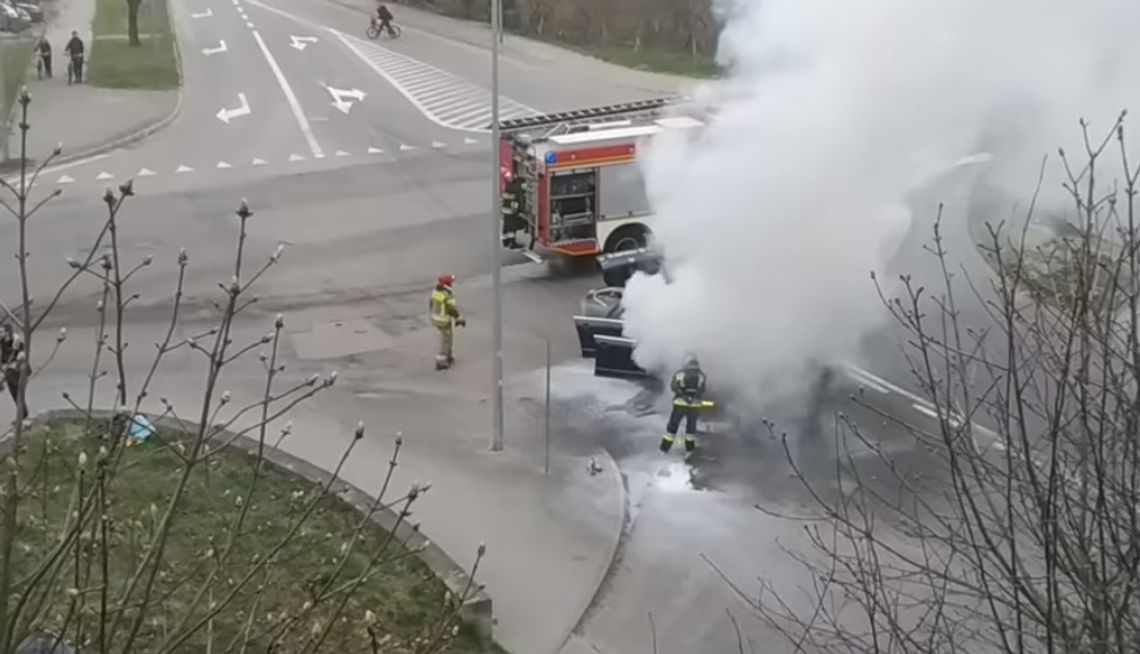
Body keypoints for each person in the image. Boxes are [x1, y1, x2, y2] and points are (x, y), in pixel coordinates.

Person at [660, 354, 707, 454]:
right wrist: (693, 398)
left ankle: (665, 448)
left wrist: (684, 396)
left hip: (680, 404)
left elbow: (674, 387)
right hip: (694, 405)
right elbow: (702, 390)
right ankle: (690, 449)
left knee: (673, 427)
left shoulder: (679, 374)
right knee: (691, 429)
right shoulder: (701, 375)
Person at [429, 274, 464, 370]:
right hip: (443, 320)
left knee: (448, 336)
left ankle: (449, 356)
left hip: (436, 318)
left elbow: (431, 303)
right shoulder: (448, 294)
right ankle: (441, 362)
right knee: (446, 339)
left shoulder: (436, 291)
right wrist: (459, 318)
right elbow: (451, 309)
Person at [1, 325, 29, 419]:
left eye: (1, 332)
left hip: (17, 371)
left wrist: (16, 362)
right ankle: (23, 414)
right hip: (7, 371)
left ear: (7, 333)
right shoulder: (1, 343)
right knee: (14, 394)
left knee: (18, 393)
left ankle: (22, 415)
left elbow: (22, 354)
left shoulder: (16, 342)